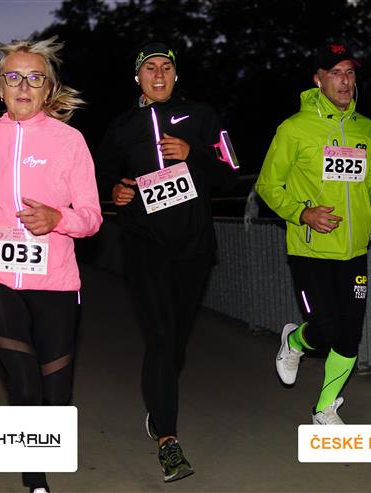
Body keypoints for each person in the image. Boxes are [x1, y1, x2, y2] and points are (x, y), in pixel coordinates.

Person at [0, 36, 102, 493]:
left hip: (56, 279)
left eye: (35, 78)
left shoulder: (70, 142)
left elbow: (92, 216)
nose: (23, 86)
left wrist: (58, 219)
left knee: (56, 395)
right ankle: (35, 480)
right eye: (13, 77)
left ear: (48, 90)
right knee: (25, 383)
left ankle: (38, 441)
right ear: (0, 88)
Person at [94, 41, 235, 482]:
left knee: (174, 344)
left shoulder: (201, 115)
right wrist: (113, 191)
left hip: (193, 247)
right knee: (159, 338)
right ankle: (169, 441)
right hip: (144, 244)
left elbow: (231, 171)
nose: (159, 75)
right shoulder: (122, 126)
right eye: (150, 68)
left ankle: (158, 405)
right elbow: (100, 174)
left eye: (166, 68)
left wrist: (194, 155)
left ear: (176, 74)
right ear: (137, 77)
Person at [255, 42, 371, 425]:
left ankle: (324, 409)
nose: (344, 81)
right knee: (324, 330)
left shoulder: (367, 130)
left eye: (350, 72)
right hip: (310, 250)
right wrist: (302, 214)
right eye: (335, 73)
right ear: (318, 80)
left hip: (354, 251)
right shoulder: (294, 128)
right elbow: (267, 186)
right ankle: (294, 340)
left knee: (349, 334)